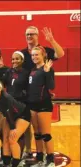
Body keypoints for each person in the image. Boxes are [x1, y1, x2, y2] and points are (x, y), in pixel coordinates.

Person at [21, 26, 64, 159]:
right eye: (27, 34)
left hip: (42, 100)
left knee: (45, 133)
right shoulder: (23, 54)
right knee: (33, 130)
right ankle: (32, 152)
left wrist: (51, 40)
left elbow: (61, 54)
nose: (29, 36)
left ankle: (48, 157)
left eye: (32, 34)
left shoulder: (46, 52)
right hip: (28, 96)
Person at [0, 80, 31, 167]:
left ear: (0, 89)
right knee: (5, 139)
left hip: (22, 115)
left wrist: (13, 128)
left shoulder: (6, 98)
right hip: (10, 117)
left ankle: (16, 166)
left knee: (12, 139)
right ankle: (7, 164)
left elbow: (11, 112)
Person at [27, 46, 56, 167]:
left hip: (44, 105)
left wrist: (48, 71)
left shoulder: (47, 69)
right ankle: (39, 159)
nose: (34, 57)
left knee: (46, 135)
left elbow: (51, 86)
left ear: (43, 55)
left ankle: (50, 161)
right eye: (33, 55)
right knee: (37, 134)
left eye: (37, 55)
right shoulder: (33, 70)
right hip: (32, 105)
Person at [1, 51, 30, 163]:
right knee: (4, 133)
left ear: (22, 60)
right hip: (9, 105)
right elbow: (1, 83)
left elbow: (30, 88)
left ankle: (20, 156)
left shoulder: (26, 73)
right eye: (13, 59)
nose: (14, 61)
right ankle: (7, 157)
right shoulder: (8, 71)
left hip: (21, 106)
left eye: (17, 59)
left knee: (18, 134)